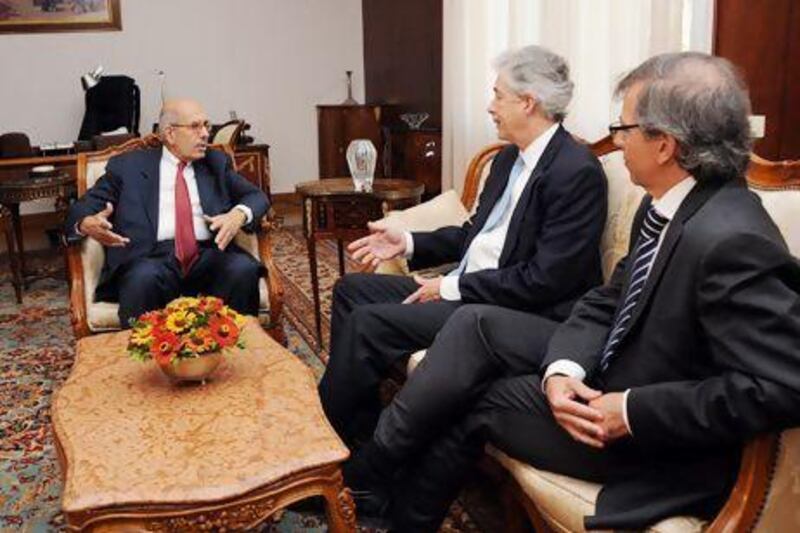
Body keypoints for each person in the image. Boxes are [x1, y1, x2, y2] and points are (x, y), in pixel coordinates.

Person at [343, 52, 800, 531]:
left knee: (475, 402)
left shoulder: (733, 239)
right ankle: (379, 490)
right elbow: (607, 301)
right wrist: (563, 368)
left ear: (664, 145)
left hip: (657, 439)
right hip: (610, 370)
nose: (617, 144)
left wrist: (630, 410)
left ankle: (386, 503)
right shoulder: (670, 203)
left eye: (624, 130)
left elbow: (782, 387)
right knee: (476, 327)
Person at [318, 45, 608, 447]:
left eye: (497, 96)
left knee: (369, 323)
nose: (490, 107)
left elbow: (546, 280)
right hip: (468, 289)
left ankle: (324, 450)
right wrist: (407, 241)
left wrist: (449, 287)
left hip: (505, 310)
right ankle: (357, 432)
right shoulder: (508, 160)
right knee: (353, 290)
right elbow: (474, 235)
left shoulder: (575, 172)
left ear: (528, 102)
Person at [64, 99, 269, 326]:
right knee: (142, 279)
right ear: (170, 134)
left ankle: (238, 350)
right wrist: (85, 223)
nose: (205, 134)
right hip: (150, 256)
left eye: (206, 126)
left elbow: (257, 197)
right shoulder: (127, 167)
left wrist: (238, 214)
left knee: (242, 269)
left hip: (207, 253)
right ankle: (145, 356)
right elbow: (82, 207)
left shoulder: (215, 163)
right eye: (195, 126)